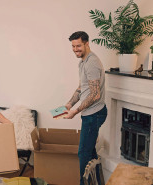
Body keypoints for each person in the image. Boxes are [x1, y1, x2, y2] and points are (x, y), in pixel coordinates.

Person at [63, 31, 107, 185]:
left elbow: (95, 95)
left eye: (79, 45)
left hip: (94, 114)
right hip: (90, 113)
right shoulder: (82, 62)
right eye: (73, 46)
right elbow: (82, 88)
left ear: (87, 43)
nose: (76, 49)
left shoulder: (92, 63)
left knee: (83, 153)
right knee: (91, 152)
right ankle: (98, 182)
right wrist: (69, 104)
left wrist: (75, 111)